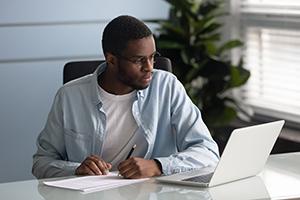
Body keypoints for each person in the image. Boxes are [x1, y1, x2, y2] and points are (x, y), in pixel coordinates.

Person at [32, 15, 220, 179]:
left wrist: (158, 165)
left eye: (153, 57)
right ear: (111, 59)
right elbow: (42, 162)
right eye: (138, 60)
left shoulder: (167, 86)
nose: (149, 67)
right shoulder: (69, 96)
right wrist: (75, 169)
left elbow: (208, 152)